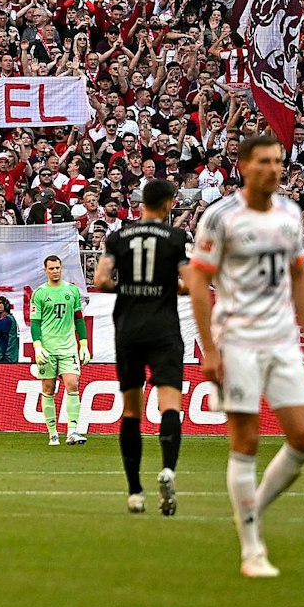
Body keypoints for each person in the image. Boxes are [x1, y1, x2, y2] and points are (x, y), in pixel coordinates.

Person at [189, 132, 304, 578]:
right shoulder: (220, 217)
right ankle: (251, 549)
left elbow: (299, 276)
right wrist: (209, 349)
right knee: (245, 443)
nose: (274, 168)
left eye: (279, 161)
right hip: (238, 341)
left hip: (282, 339)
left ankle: (250, 511)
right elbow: (198, 282)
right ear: (244, 165)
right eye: (264, 161)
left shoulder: (290, 213)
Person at [95, 178, 191, 514]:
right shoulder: (176, 238)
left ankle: (135, 491)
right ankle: (167, 469)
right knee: (169, 404)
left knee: (131, 410)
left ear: (141, 203)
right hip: (163, 329)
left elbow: (102, 280)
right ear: (167, 204)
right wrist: (167, 287)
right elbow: (190, 283)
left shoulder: (118, 237)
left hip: (129, 328)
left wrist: (131, 288)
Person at [29, 254, 88, 446]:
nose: (55, 271)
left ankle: (73, 431)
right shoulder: (39, 293)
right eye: (51, 268)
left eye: (57, 268)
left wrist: (84, 344)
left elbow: (79, 318)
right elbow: (35, 323)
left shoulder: (72, 291)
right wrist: (37, 346)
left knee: (72, 384)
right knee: (48, 389)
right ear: (45, 270)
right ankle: (52, 433)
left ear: (61, 269)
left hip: (68, 348)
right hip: (47, 349)